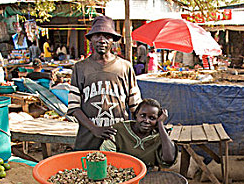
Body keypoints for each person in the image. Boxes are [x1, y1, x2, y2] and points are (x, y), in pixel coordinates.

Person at [68, 15, 142, 151]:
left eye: (107, 36)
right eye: (97, 35)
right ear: (91, 39)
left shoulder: (125, 67)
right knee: (87, 170)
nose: (102, 40)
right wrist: (94, 128)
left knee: (119, 170)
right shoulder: (80, 68)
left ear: (113, 40)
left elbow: (135, 106)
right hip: (88, 137)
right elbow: (74, 108)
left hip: (118, 136)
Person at [100, 98, 177, 169]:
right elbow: (106, 157)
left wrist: (160, 124)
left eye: (152, 118)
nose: (146, 120)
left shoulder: (159, 136)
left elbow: (169, 159)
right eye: (143, 115)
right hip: (119, 173)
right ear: (136, 114)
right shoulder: (119, 130)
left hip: (146, 176)